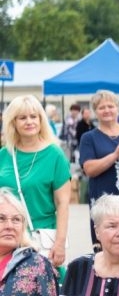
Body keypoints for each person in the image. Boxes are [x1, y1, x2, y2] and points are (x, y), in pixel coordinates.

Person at [0, 95, 72, 269]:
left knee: (42, 289)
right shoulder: (4, 155)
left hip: (40, 237)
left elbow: (63, 203)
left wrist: (60, 243)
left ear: (41, 120)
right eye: (22, 118)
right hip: (7, 235)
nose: (29, 122)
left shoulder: (54, 155)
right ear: (13, 123)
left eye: (34, 116)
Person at [78, 90, 119, 248]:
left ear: (117, 108)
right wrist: (115, 155)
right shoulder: (89, 137)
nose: (107, 110)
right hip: (103, 201)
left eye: (110, 106)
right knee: (105, 248)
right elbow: (89, 169)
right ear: (95, 111)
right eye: (101, 108)